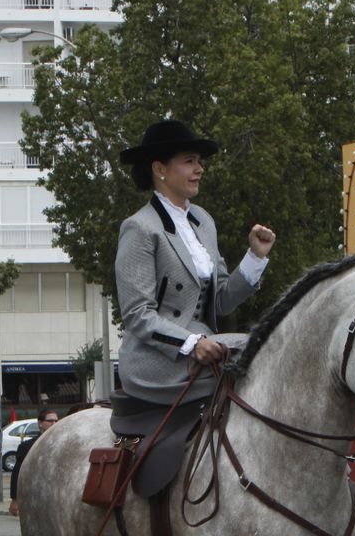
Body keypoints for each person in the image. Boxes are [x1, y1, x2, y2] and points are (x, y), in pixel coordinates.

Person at [114, 120, 276, 405]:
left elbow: (222, 302)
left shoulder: (203, 221)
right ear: (160, 169)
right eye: (190, 161)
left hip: (206, 344)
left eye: (199, 162)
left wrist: (255, 256)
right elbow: (137, 313)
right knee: (257, 364)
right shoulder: (139, 228)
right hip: (157, 360)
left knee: (270, 347)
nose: (200, 169)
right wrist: (193, 343)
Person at [8, 408, 58, 517]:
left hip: (57, 497)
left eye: (56, 421)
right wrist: (15, 499)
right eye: (50, 421)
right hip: (35, 496)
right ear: (40, 423)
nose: (54, 423)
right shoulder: (27, 447)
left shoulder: (62, 445)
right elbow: (17, 473)